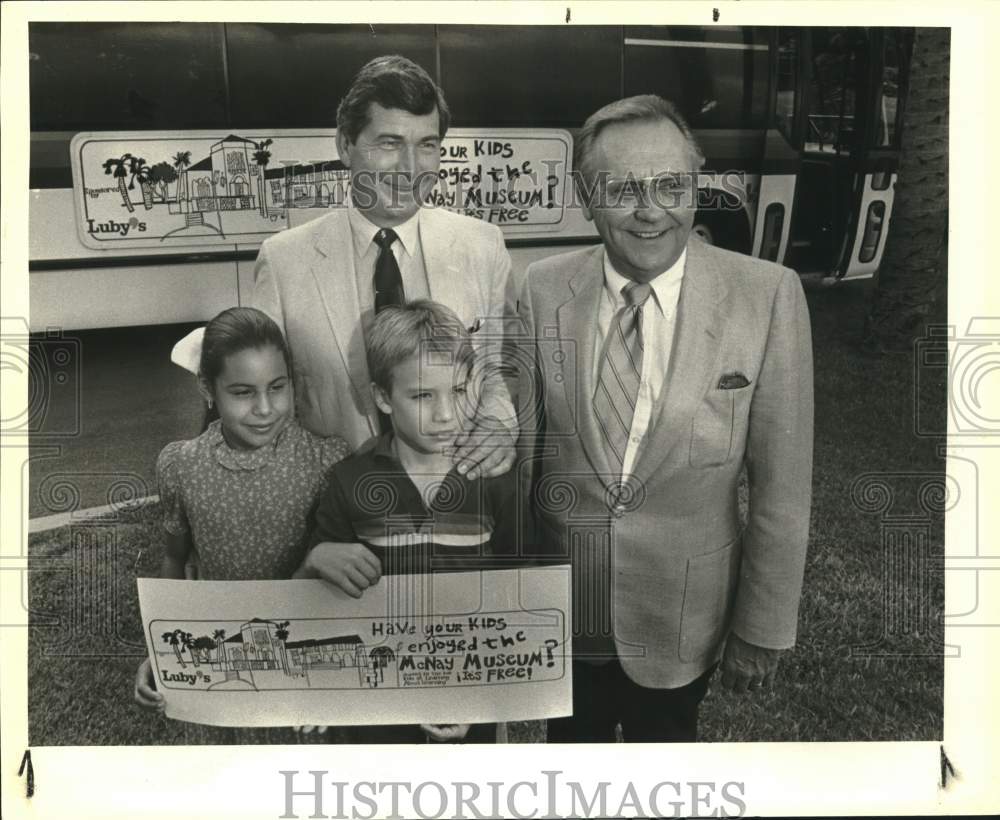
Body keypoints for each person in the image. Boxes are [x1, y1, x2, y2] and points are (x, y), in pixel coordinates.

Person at [516, 95, 814, 742]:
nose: (651, 210)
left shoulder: (766, 296)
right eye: (622, 189)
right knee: (571, 773)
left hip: (686, 618)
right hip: (567, 614)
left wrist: (762, 626)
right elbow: (521, 461)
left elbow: (782, 492)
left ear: (696, 186)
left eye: (671, 186)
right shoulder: (541, 288)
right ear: (585, 195)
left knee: (667, 773)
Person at [251, 54, 516, 482]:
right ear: (344, 146)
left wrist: (500, 423)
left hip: (456, 499)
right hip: (332, 510)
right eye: (389, 143)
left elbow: (501, 369)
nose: (410, 168)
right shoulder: (283, 261)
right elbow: (262, 400)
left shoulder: (482, 245)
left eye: (427, 145)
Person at [296, 300, 525, 743]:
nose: (446, 414)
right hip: (374, 717)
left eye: (459, 392)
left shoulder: (496, 480)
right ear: (383, 397)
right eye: (423, 395)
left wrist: (483, 701)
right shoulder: (349, 481)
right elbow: (313, 597)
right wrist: (318, 557)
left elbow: (526, 599)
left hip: (469, 705)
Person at [133, 307, 350, 743]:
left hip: (309, 654)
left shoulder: (327, 460)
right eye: (243, 392)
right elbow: (175, 561)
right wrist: (159, 651)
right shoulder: (181, 466)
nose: (265, 408)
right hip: (224, 659)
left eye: (277, 387)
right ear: (207, 389)